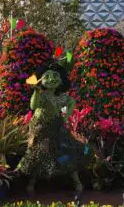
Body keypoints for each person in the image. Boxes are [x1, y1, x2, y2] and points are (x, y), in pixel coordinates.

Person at [18, 62, 85, 197]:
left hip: (57, 127)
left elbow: (72, 102)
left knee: (66, 152)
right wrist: (36, 91)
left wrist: (66, 117)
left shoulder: (62, 97)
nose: (51, 79)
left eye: (55, 76)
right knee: (37, 154)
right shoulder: (41, 94)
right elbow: (33, 105)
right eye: (47, 76)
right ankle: (31, 183)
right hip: (40, 128)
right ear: (41, 80)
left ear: (61, 81)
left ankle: (77, 183)